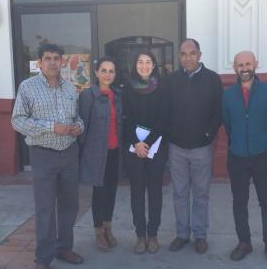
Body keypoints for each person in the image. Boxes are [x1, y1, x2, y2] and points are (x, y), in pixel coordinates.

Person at [11, 43, 84, 269]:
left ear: (63, 61)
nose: (53, 62)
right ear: (39, 63)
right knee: (44, 208)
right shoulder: (28, 87)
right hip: (43, 155)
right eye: (48, 58)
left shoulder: (70, 88)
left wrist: (78, 127)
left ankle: (64, 248)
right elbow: (18, 121)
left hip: (69, 153)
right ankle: (43, 259)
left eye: (57, 58)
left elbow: (77, 117)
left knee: (69, 205)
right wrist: (52, 127)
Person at [222, 51, 267, 263]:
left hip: (262, 155)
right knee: (239, 201)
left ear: (255, 64)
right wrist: (239, 142)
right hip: (237, 156)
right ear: (234, 68)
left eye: (247, 63)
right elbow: (228, 125)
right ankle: (244, 242)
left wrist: (262, 140)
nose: (244, 68)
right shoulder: (228, 95)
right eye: (239, 65)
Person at [166, 39, 223, 254]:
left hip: (201, 148)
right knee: (179, 193)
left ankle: (200, 235)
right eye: (183, 53)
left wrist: (208, 133)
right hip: (177, 147)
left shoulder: (212, 79)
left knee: (201, 193)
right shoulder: (171, 80)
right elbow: (165, 110)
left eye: (192, 53)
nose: (187, 57)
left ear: (199, 55)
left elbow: (218, 111)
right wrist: (171, 133)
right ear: (179, 57)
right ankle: (182, 234)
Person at [122, 51, 169, 254]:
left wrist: (147, 143)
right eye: (140, 62)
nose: (144, 65)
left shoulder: (161, 87)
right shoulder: (128, 87)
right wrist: (137, 143)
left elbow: (163, 119)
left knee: (155, 192)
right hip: (134, 148)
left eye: (148, 62)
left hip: (156, 146)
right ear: (135, 65)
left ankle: (153, 234)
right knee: (137, 192)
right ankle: (140, 235)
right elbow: (125, 118)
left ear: (154, 65)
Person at [79, 57, 122, 252]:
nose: (107, 74)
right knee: (99, 194)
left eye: (111, 71)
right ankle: (98, 232)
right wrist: (82, 153)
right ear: (96, 73)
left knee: (111, 192)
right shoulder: (89, 95)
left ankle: (108, 228)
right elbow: (82, 126)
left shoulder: (117, 95)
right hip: (96, 153)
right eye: (103, 70)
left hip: (114, 151)